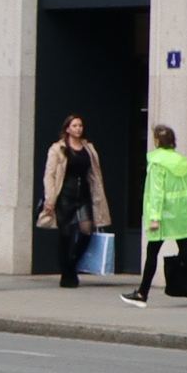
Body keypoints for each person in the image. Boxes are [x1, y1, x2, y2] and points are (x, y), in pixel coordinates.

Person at [127, 123, 187, 309]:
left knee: (152, 253)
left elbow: (157, 192)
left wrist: (155, 217)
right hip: (181, 214)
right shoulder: (182, 162)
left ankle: (142, 294)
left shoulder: (158, 163)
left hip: (163, 216)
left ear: (157, 141)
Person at [36, 114, 110, 288]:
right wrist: (50, 198)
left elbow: (94, 173)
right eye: (75, 126)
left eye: (80, 126)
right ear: (67, 128)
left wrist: (98, 194)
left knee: (86, 229)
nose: (78, 129)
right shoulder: (58, 148)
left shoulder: (88, 148)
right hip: (64, 195)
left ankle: (72, 263)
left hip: (83, 194)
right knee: (66, 234)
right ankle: (66, 272)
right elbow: (50, 174)